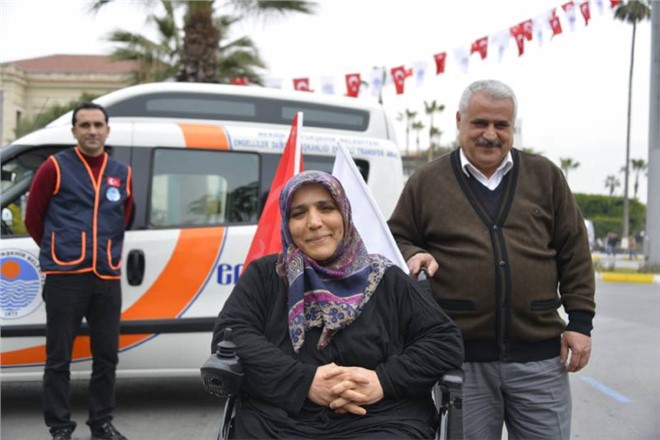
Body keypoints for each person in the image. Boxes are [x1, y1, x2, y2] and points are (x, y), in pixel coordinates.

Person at [388, 79, 596, 440]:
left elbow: (574, 251)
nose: (490, 134)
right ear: (459, 121)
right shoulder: (427, 180)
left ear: (512, 127)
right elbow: (397, 235)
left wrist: (580, 323)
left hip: (540, 360)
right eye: (479, 123)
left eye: (501, 125)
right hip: (461, 362)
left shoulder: (545, 176)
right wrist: (412, 253)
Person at [211, 170, 464, 439]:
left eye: (326, 208)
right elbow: (231, 337)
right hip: (278, 423)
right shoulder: (265, 276)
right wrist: (304, 381)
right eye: (299, 213)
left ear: (344, 213)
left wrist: (383, 381)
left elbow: (444, 341)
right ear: (286, 223)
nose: (314, 222)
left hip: (382, 420)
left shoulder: (387, 279)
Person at [25, 102, 132, 440]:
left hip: (106, 278)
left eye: (98, 125)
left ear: (107, 130)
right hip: (65, 277)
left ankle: (101, 423)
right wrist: (61, 250)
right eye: (84, 125)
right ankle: (59, 427)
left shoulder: (121, 172)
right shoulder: (54, 167)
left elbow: (124, 218)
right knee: (58, 358)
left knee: (107, 357)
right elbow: (33, 218)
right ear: (74, 131)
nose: (92, 131)